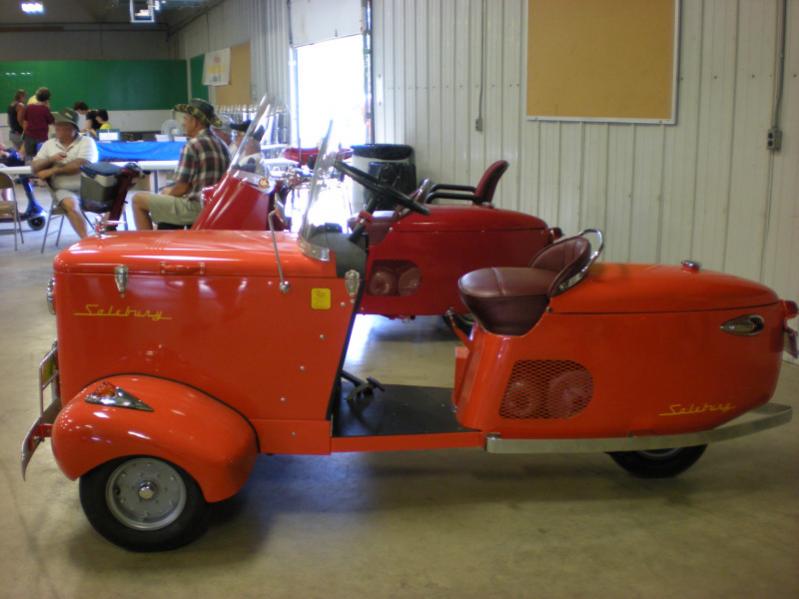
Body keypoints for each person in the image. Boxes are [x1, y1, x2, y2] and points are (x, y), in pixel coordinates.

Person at [132, 99, 230, 230]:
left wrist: (166, 194)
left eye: (185, 119)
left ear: (195, 121)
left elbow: (182, 188)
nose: (183, 124)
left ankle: (147, 242)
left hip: (196, 208)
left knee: (138, 200)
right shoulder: (222, 145)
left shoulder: (193, 145)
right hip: (216, 207)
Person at [31, 107, 98, 239]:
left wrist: (53, 170)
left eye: (64, 126)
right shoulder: (48, 144)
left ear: (74, 129)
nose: (58, 128)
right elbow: (34, 168)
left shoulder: (87, 142)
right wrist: (51, 159)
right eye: (58, 125)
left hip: (90, 189)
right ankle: (87, 241)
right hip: (63, 190)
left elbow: (81, 164)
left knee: (119, 201)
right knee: (71, 205)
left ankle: (105, 237)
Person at [23, 88, 54, 158]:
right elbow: (51, 121)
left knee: (29, 158)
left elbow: (25, 122)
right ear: (48, 99)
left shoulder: (29, 107)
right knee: (41, 158)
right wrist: (48, 108)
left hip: (29, 137)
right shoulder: (45, 109)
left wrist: (26, 133)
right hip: (41, 137)